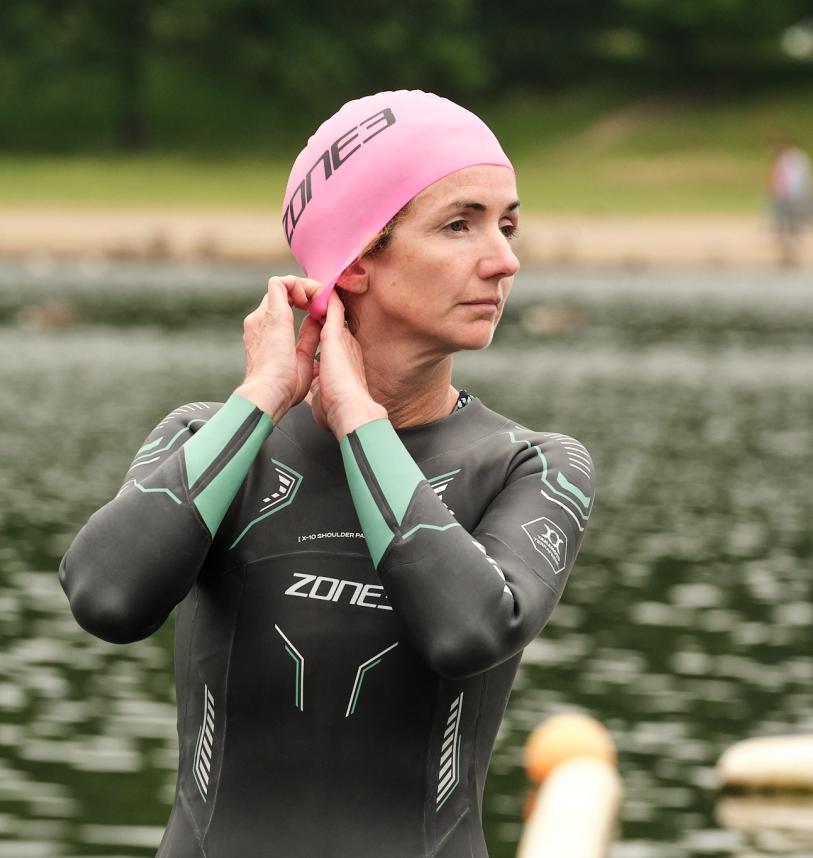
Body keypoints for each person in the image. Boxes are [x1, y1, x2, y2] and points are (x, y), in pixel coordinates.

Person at [59, 90, 595, 858]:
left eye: (506, 224)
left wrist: (357, 418)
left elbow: (468, 630)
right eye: (459, 224)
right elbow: (107, 599)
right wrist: (264, 396)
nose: (505, 258)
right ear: (356, 261)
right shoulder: (207, 440)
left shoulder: (530, 464)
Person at [767, 138, 811, 266]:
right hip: (785, 193)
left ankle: (791, 238)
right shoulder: (786, 159)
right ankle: (786, 238)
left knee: (792, 216)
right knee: (784, 216)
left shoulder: (796, 159)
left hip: (792, 193)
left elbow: (798, 177)